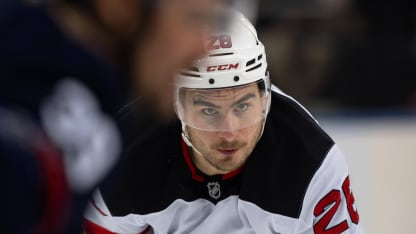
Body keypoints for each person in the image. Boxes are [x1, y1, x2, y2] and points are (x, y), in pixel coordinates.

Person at [84, 11, 363, 233]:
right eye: (208, 111)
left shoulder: (312, 164)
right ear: (176, 106)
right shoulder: (123, 154)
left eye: (243, 106)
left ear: (265, 99)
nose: (229, 132)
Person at [0, 0, 224, 233]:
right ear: (118, 6)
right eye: (194, 19)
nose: (205, 50)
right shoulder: (66, 100)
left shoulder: (104, 102)